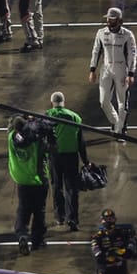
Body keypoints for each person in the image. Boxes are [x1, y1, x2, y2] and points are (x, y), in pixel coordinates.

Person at [89, 7, 137, 137]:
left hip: (122, 70)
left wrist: (131, 73)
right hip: (106, 69)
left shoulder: (127, 35)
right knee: (103, 101)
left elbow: (132, 55)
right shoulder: (101, 33)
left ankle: (121, 130)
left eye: (112, 19)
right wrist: (92, 69)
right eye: (108, 19)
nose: (109, 21)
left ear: (120, 21)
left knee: (122, 102)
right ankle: (116, 122)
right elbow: (96, 51)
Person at [46, 91, 89, 232]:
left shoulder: (47, 115)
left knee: (56, 186)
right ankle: (73, 219)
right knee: (72, 188)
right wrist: (86, 161)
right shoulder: (75, 117)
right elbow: (81, 142)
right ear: (64, 102)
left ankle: (60, 217)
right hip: (71, 156)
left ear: (52, 103)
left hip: (55, 156)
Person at [8, 115, 51, 256]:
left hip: (21, 179)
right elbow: (46, 143)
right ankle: (37, 241)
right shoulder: (35, 141)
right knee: (39, 211)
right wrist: (35, 122)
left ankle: (22, 235)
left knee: (23, 210)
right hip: (37, 180)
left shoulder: (11, 138)